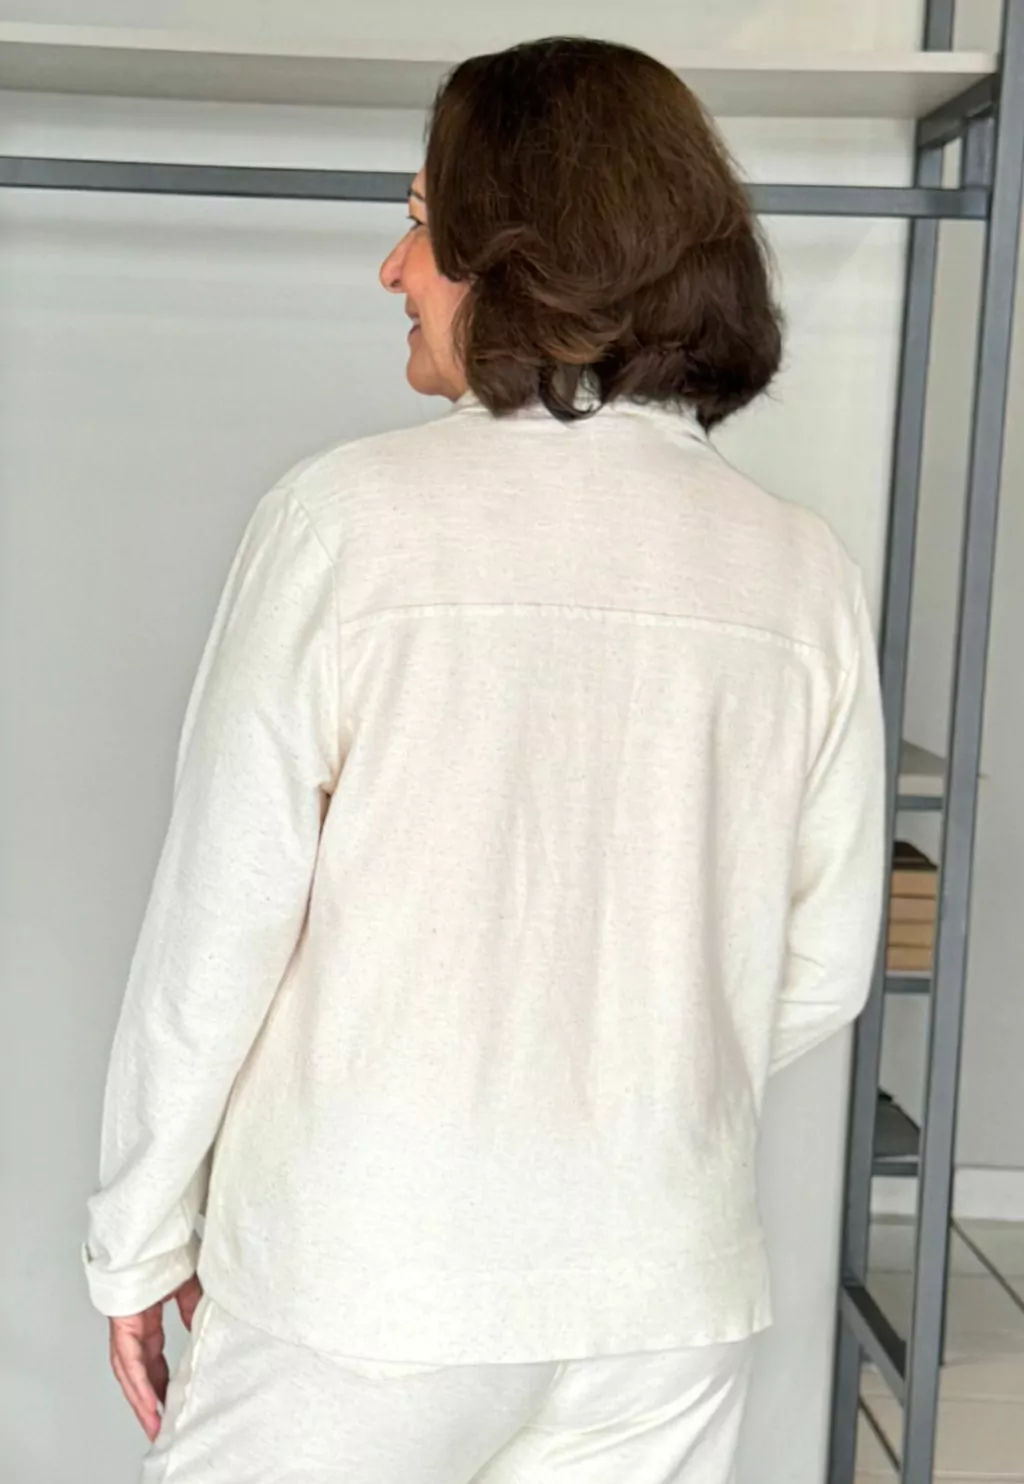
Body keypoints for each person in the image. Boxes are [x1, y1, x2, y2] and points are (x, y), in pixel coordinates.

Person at [82, 35, 885, 1484]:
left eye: (420, 220)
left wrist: (136, 1236)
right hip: (664, 1294)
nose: (394, 268)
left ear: (518, 251)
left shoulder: (346, 522)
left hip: (368, 1280)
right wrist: (615, 1064)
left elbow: (219, 924)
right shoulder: (802, 567)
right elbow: (825, 962)